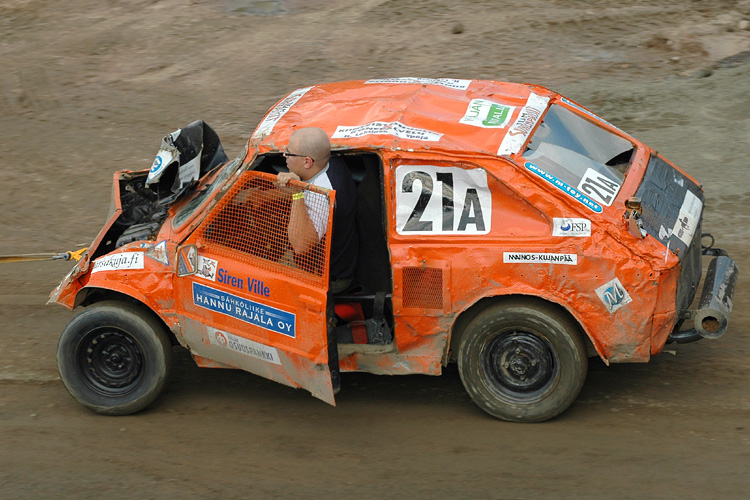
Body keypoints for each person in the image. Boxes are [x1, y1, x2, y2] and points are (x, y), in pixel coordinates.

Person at [277, 127, 358, 294]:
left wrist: (296, 192)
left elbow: (301, 246)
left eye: (289, 152)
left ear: (307, 162)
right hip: (344, 260)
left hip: (329, 279)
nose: (284, 155)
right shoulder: (330, 163)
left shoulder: (322, 193)